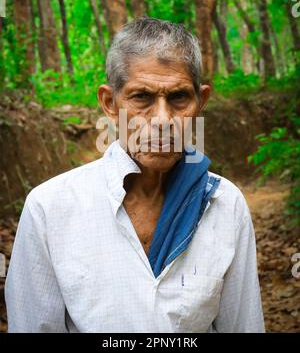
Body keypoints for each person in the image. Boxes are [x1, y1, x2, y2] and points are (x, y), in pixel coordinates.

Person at [5, 17, 265, 332]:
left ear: (201, 101)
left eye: (178, 97)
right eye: (141, 97)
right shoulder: (50, 209)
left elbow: (243, 326)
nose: (162, 119)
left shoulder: (225, 205)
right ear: (109, 103)